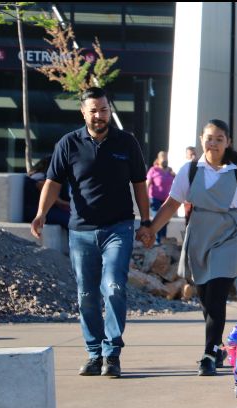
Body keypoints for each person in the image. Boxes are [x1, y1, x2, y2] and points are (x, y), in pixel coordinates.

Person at [31, 87, 151, 378]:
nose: (99, 115)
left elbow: (139, 183)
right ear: (83, 112)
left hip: (118, 228)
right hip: (81, 231)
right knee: (86, 293)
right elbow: (53, 183)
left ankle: (112, 353)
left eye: (104, 110)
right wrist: (41, 214)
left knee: (113, 287)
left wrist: (146, 222)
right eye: (93, 110)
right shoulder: (68, 144)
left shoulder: (127, 143)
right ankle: (94, 353)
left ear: (110, 110)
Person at [140, 119, 237, 376]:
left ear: (228, 142)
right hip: (199, 235)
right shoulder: (191, 171)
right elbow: (171, 204)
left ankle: (209, 353)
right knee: (205, 297)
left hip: (231, 237)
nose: (214, 143)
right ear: (201, 140)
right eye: (209, 138)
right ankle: (218, 346)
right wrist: (151, 229)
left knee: (217, 296)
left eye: (220, 138)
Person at [23, 156, 70, 229]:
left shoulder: (38, 175)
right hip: (36, 211)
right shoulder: (40, 175)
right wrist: (61, 202)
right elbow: (42, 185)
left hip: (40, 210)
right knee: (71, 219)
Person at [146, 151, 175, 244]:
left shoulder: (170, 171)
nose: (165, 159)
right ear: (158, 159)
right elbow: (147, 184)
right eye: (163, 157)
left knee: (165, 220)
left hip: (166, 199)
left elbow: (177, 184)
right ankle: (157, 242)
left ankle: (162, 241)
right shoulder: (153, 170)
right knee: (158, 219)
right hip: (155, 198)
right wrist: (145, 198)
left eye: (166, 157)